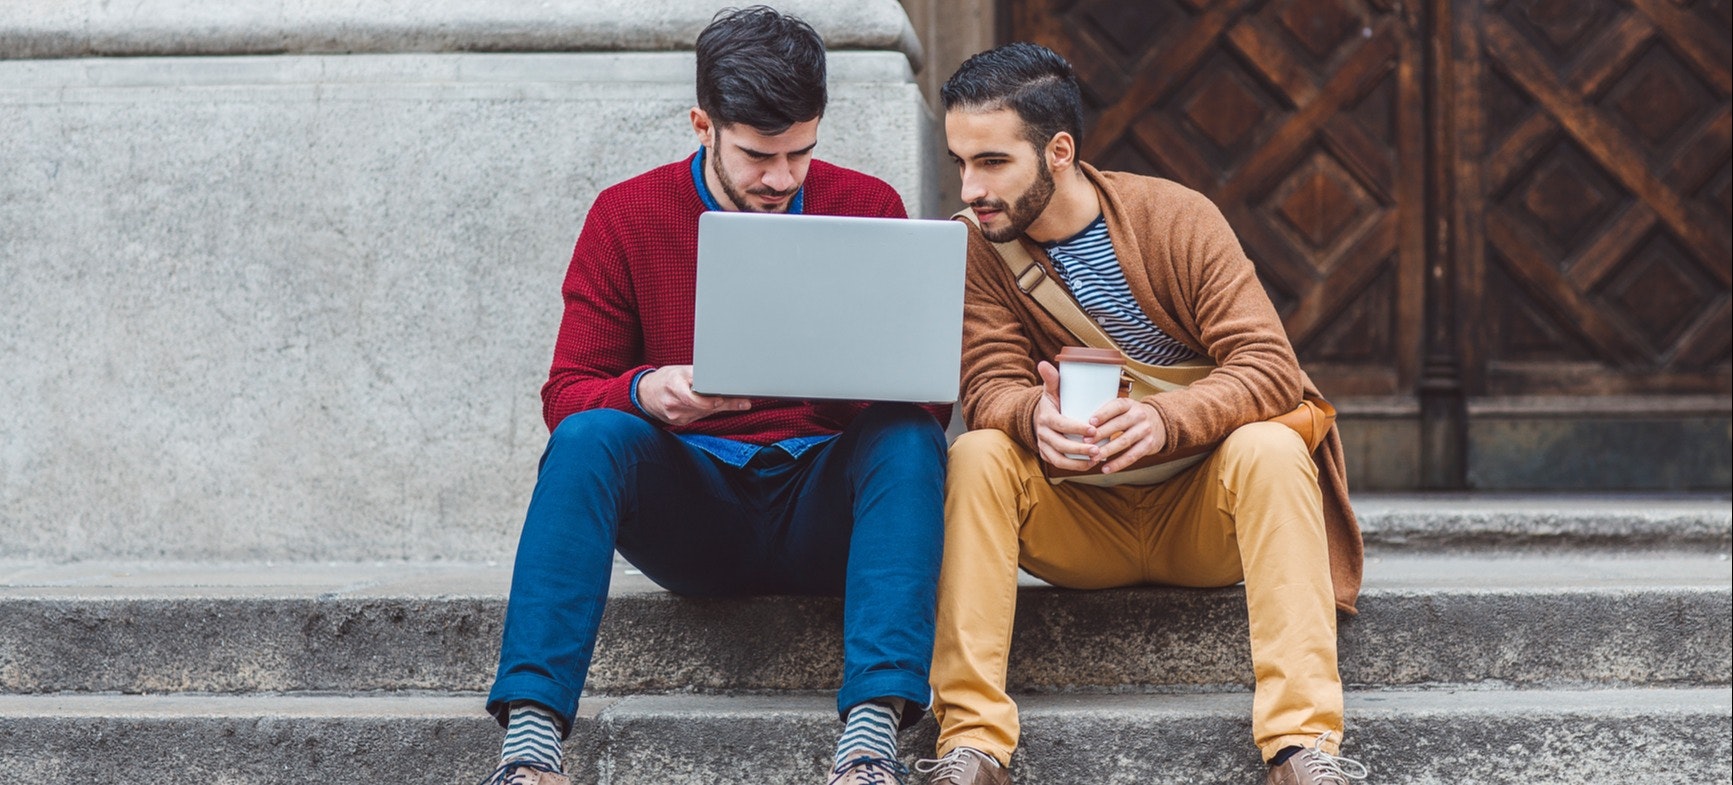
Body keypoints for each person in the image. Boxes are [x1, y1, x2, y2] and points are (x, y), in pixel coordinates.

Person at [478, 8, 949, 785]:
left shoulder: (866, 206)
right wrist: (645, 391)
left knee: (906, 435)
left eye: (802, 151)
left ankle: (868, 747)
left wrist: (851, 378)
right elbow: (566, 394)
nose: (782, 177)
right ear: (703, 124)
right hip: (693, 505)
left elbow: (926, 405)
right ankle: (529, 750)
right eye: (759, 155)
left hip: (822, 503)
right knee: (589, 438)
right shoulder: (626, 215)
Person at [914, 43, 1369, 785]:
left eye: (991, 162)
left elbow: (1268, 365)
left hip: (1205, 521)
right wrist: (1034, 415)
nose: (971, 188)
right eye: (960, 163)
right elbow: (988, 388)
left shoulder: (1177, 218)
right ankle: (971, 744)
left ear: (1057, 151)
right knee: (974, 453)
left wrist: (1166, 420)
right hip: (1078, 524)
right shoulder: (973, 244)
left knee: (1271, 447)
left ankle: (1300, 748)